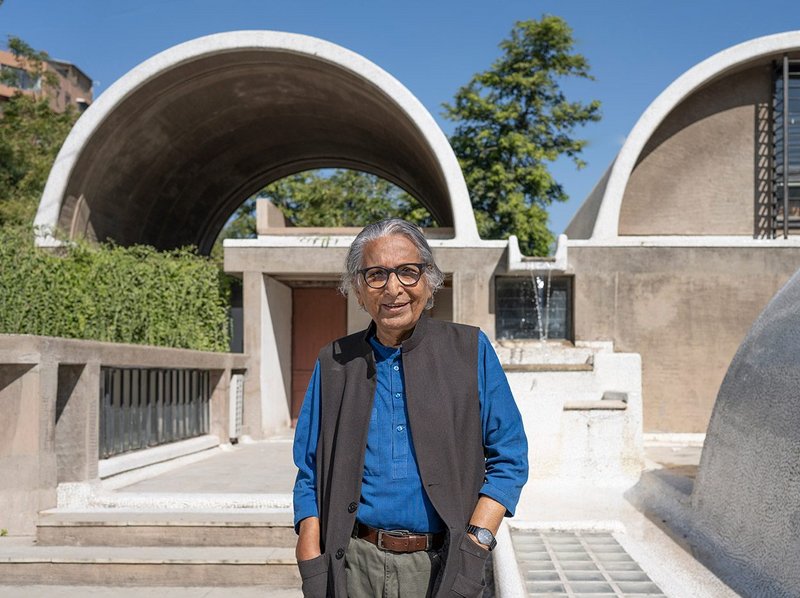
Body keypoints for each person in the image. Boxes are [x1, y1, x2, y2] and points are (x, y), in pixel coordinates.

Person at [292, 218, 528, 598]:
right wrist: (308, 546)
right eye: (376, 275)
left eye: (407, 271)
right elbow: (309, 469)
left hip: (443, 563)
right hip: (353, 563)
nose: (393, 288)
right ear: (358, 288)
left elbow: (510, 456)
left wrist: (478, 541)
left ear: (428, 279)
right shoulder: (334, 363)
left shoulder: (470, 350)